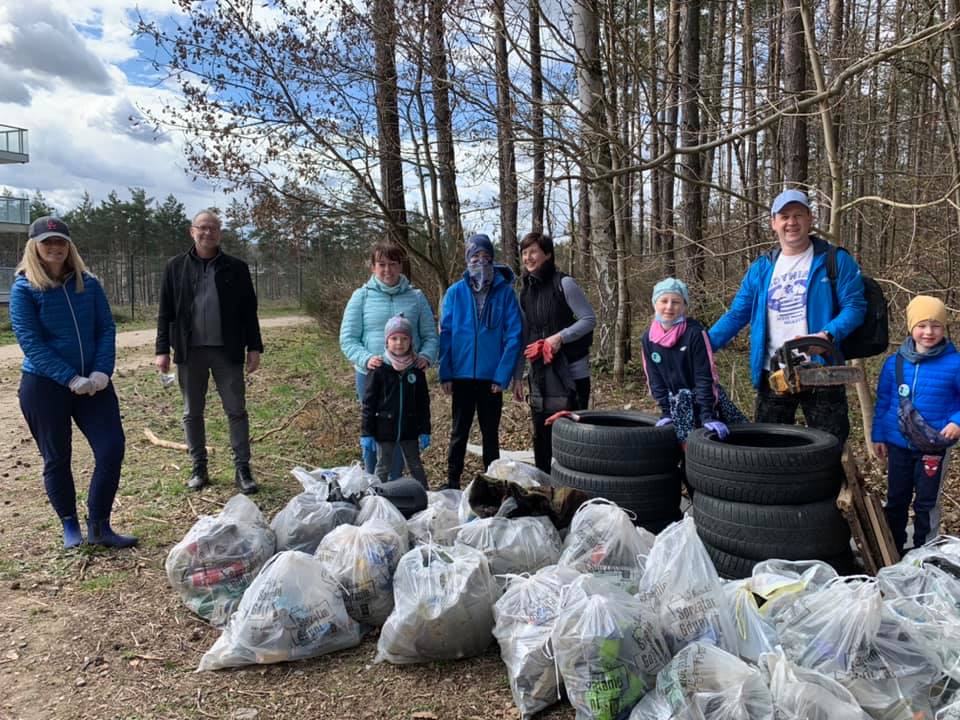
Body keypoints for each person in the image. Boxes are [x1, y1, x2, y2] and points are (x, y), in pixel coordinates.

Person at [10, 217, 136, 549]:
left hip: (93, 384)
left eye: (60, 242)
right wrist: (69, 378)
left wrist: (100, 373)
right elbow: (31, 342)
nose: (55, 247)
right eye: (47, 242)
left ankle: (100, 525)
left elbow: (105, 328)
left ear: (69, 246)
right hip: (44, 386)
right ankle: (70, 526)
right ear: (34, 246)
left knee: (111, 449)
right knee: (57, 457)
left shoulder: (88, 283)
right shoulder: (24, 288)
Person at [708, 189, 866, 446]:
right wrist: (701, 345)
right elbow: (737, 314)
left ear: (810, 219)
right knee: (769, 449)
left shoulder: (834, 260)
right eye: (784, 216)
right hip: (774, 372)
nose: (791, 222)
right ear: (774, 223)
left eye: (798, 215)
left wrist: (826, 336)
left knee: (829, 447)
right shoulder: (762, 268)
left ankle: (827, 487)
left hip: (822, 372)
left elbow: (855, 307)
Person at [155, 210, 263, 494]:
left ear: (220, 233)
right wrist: (162, 349)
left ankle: (242, 469)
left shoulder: (236, 268)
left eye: (213, 228)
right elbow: (165, 311)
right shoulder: (175, 267)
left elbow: (249, 311)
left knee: (236, 410)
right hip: (190, 352)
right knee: (192, 412)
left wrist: (254, 347)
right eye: (202, 228)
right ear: (192, 232)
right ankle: (199, 467)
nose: (207, 233)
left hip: (227, 351)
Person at [339, 240, 438, 477]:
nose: (387, 270)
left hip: (407, 377)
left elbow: (430, 336)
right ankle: (373, 486)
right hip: (373, 376)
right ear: (373, 267)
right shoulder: (361, 297)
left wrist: (426, 356)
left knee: (401, 431)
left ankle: (395, 485)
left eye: (393, 264)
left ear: (401, 266)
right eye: (381, 264)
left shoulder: (416, 297)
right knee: (375, 432)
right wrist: (366, 359)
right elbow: (348, 338)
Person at [871, 295, 960, 554]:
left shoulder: (954, 364)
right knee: (896, 500)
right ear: (911, 327)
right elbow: (884, 402)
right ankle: (892, 551)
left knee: (926, 503)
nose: (929, 332)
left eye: (936, 325)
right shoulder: (894, 363)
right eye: (922, 325)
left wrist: (956, 421)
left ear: (944, 328)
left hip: (934, 447)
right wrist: (878, 436)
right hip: (897, 445)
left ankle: (925, 553)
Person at [439, 234, 523, 489]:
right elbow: (446, 332)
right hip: (462, 376)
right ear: (467, 260)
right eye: (475, 258)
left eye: (486, 258)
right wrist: (446, 372)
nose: (481, 263)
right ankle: (452, 481)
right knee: (459, 432)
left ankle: (492, 482)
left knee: (490, 434)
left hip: (491, 379)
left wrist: (502, 376)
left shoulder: (505, 293)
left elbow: (513, 335)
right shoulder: (455, 292)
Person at [515, 231, 596, 474]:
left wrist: (559, 337)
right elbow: (525, 334)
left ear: (547, 255)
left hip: (572, 374)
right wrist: (518, 375)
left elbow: (589, 319)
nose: (528, 257)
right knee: (541, 437)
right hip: (540, 376)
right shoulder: (525, 291)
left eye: (534, 252)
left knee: (572, 437)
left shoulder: (564, 284)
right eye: (525, 253)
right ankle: (544, 489)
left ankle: (574, 490)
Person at [641, 278, 747, 444]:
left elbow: (705, 376)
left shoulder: (695, 333)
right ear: (655, 303)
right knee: (681, 452)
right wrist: (666, 411)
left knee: (720, 448)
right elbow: (654, 379)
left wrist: (707, 415)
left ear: (684, 306)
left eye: (676, 302)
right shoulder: (648, 338)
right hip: (674, 405)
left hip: (703, 402)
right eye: (664, 301)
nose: (669, 307)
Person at [361, 315, 431, 488]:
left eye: (404, 338)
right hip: (384, 430)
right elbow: (368, 404)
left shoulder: (416, 370)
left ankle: (427, 498)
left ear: (410, 341)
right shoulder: (378, 370)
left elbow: (423, 404)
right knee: (383, 466)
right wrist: (366, 432)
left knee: (415, 465)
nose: (399, 343)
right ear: (386, 341)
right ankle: (376, 498)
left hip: (410, 429)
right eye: (394, 338)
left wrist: (425, 430)